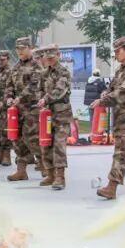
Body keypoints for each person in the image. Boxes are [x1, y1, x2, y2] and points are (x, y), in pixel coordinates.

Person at [92, 36, 125, 199]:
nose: (116, 53)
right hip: (119, 117)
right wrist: (105, 93)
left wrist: (103, 100)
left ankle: (112, 186)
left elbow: (123, 91)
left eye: (118, 50)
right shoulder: (121, 70)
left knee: (121, 153)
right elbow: (112, 88)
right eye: (115, 51)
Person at [5, 37, 44, 182]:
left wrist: (19, 98)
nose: (20, 51)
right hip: (17, 110)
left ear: (30, 48)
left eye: (23, 48)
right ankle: (21, 171)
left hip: (32, 108)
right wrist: (9, 97)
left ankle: (46, 166)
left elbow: (34, 86)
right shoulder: (15, 68)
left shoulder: (37, 67)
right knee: (17, 139)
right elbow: (9, 85)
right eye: (18, 49)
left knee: (32, 138)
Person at [37, 44, 73, 190]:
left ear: (58, 55)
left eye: (52, 57)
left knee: (58, 145)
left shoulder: (64, 72)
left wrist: (45, 99)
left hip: (61, 114)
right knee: (46, 144)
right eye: (48, 58)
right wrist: (41, 100)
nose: (50, 60)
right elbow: (39, 90)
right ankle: (50, 174)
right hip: (47, 114)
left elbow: (59, 91)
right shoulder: (44, 73)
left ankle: (60, 177)